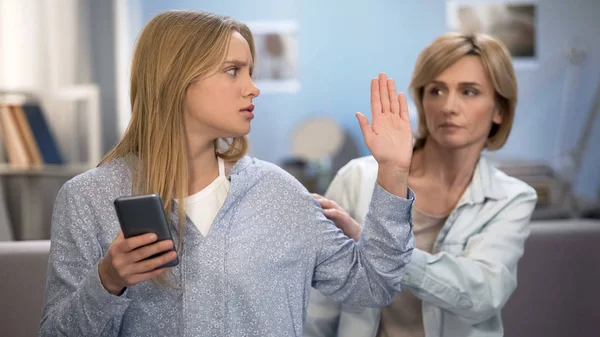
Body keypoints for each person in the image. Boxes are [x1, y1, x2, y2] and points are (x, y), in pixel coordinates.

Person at [39, 10, 416, 337]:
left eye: (250, 72)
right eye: (233, 71)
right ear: (176, 78)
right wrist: (108, 281)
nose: (252, 89)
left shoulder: (279, 193)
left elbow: (373, 285)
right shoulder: (88, 198)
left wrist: (394, 171)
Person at [304, 32, 538, 337]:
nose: (448, 107)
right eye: (437, 91)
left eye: (469, 92)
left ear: (499, 110)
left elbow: (484, 294)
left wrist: (383, 249)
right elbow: (319, 307)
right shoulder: (357, 178)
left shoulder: (511, 198)